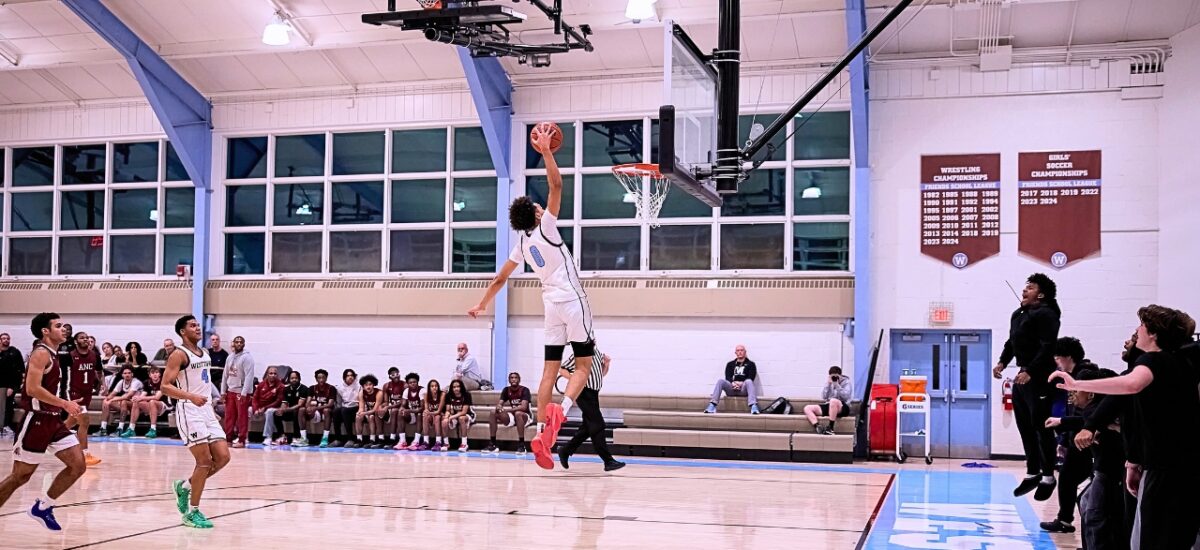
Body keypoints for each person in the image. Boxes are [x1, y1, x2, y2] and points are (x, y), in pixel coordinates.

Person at [468, 127, 596, 468]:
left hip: (550, 306)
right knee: (584, 364)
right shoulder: (547, 227)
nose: (542, 206)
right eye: (539, 207)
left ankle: (542, 433)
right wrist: (546, 152)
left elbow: (500, 278)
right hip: (571, 299)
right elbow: (556, 185)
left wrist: (482, 305)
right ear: (537, 214)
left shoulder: (522, 244)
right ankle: (562, 411)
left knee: (548, 371)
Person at [1050, 305, 1200, 549]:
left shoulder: (1153, 360)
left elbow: (1131, 384)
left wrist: (1076, 383)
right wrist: (1133, 461)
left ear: (1153, 334)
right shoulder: (1184, 363)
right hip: (1185, 469)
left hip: (1164, 471)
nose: (1136, 331)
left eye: (1140, 326)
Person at [0, 313, 86, 531]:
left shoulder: (55, 354)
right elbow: (32, 389)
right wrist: (64, 404)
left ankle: (43, 507)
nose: (63, 329)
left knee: (78, 465)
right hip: (36, 421)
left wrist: (62, 404)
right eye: (58, 326)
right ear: (45, 331)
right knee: (20, 477)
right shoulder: (40, 353)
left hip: (53, 421)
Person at [993, 273, 1062, 501]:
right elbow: (1011, 342)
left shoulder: (1047, 314)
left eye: (1030, 287)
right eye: (1025, 286)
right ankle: (1033, 471)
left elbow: (1047, 346)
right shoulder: (1019, 314)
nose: (1025, 290)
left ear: (1040, 294)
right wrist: (1003, 362)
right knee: (1025, 427)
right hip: (1022, 375)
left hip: (1039, 375)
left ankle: (1048, 476)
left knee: (1042, 427)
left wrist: (1030, 371)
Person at [161, 315, 231, 529]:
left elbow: (204, 379)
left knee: (223, 457)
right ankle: (192, 512)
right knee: (204, 462)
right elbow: (165, 386)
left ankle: (184, 486)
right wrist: (190, 396)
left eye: (198, 325)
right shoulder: (178, 354)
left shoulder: (206, 352)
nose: (198, 328)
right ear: (183, 332)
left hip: (206, 410)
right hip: (189, 410)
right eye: (192, 325)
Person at [1045, 368, 1125, 548]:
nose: (1072, 393)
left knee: (1094, 512)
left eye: (1077, 388)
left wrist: (1063, 422)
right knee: (1085, 501)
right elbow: (1084, 421)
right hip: (1103, 470)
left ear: (1092, 394)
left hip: (1112, 471)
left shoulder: (1099, 412)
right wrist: (1062, 422)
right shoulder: (1093, 412)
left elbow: (1089, 420)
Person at [1038, 336, 1099, 533]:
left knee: (1072, 480)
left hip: (1089, 440)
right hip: (1076, 438)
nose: (1056, 361)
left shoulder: (1085, 376)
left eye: (1058, 356)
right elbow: (1072, 410)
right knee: (1068, 478)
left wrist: (1062, 423)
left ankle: (1068, 521)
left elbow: (1087, 415)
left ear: (1068, 357)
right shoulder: (1071, 377)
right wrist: (1064, 439)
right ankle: (1066, 520)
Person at [557, 349, 625, 472]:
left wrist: (607, 365)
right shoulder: (579, 354)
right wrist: (576, 380)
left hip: (594, 393)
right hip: (583, 392)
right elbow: (562, 369)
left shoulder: (599, 354)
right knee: (598, 424)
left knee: (587, 428)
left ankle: (565, 451)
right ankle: (608, 460)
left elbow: (601, 374)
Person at [65, 331, 103, 466]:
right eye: (82, 338)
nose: (86, 339)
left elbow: (99, 371)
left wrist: (102, 384)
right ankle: (85, 454)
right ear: (76, 341)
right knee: (84, 422)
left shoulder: (94, 355)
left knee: (71, 422)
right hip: (75, 393)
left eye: (87, 337)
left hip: (87, 392)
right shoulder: (70, 356)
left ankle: (49, 439)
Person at [483, 372, 531, 455]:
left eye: (515, 377)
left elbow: (523, 407)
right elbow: (500, 403)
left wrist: (507, 411)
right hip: (513, 416)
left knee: (518, 413)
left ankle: (522, 445)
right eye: (511, 378)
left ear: (519, 380)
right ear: (509, 380)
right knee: (493, 412)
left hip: (525, 416)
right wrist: (499, 407)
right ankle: (493, 444)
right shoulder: (506, 390)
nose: (513, 379)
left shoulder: (524, 390)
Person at [220, 335, 255, 448]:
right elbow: (225, 375)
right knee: (229, 416)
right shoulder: (230, 357)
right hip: (230, 391)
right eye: (237, 342)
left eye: (241, 342)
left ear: (244, 344)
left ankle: (241, 440)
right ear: (233, 344)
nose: (239, 344)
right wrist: (223, 391)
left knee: (242, 417)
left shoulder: (247, 358)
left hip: (241, 392)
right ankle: (228, 439)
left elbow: (249, 376)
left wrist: (244, 393)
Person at [704, 344, 760, 415]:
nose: (740, 352)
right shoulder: (730, 364)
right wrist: (733, 383)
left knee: (749, 381)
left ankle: (753, 406)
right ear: (735, 353)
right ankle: (712, 405)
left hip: (743, 389)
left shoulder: (751, 364)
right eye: (738, 350)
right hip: (732, 388)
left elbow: (751, 377)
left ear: (745, 352)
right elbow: (727, 377)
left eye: (741, 350)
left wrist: (741, 383)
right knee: (720, 381)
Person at [803, 366, 853, 435]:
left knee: (833, 401)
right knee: (807, 408)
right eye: (832, 376)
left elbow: (846, 397)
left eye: (836, 376)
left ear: (840, 376)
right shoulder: (830, 382)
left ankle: (831, 428)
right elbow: (824, 397)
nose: (835, 378)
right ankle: (818, 427)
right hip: (831, 406)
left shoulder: (846, 382)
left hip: (843, 407)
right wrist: (828, 384)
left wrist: (837, 385)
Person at [249, 366, 285, 446]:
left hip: (273, 408)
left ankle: (268, 437)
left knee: (269, 412)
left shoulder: (281, 386)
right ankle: (244, 436)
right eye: (271, 373)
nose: (273, 375)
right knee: (249, 410)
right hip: (260, 407)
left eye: (275, 373)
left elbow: (278, 401)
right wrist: (256, 409)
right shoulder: (261, 384)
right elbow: (255, 398)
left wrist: (264, 408)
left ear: (277, 375)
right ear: (267, 375)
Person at [130, 367, 169, 439]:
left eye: (157, 372)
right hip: (152, 406)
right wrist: (137, 398)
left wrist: (141, 398)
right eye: (153, 373)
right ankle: (131, 429)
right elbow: (142, 395)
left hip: (165, 406)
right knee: (136, 402)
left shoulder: (163, 383)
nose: (155, 374)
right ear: (149, 375)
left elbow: (157, 397)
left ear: (160, 374)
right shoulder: (147, 382)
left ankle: (153, 429)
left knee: (152, 401)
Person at [105, 366, 143, 438]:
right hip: (129, 404)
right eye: (125, 373)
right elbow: (113, 394)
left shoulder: (136, 382)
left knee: (123, 401)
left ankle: (120, 428)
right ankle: (103, 427)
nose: (127, 375)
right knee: (106, 401)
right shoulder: (121, 382)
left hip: (139, 405)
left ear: (132, 374)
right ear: (122, 375)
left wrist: (112, 399)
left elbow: (129, 395)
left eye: (129, 373)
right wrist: (107, 399)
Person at [273, 371, 309, 446]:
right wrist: (282, 409)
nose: (294, 380)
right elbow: (284, 402)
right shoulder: (286, 389)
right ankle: (282, 436)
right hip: (289, 410)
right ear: (289, 379)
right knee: (276, 413)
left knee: (297, 411)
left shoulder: (304, 389)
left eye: (296, 378)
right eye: (292, 378)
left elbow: (300, 404)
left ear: (299, 379)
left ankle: (296, 437)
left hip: (300, 412)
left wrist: (287, 409)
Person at [0, 332, 25, 437]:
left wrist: (13, 386)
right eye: (4, 338)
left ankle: (5, 426)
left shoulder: (14, 352)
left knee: (7, 406)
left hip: (10, 384)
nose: (6, 340)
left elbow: (20, 369)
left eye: (8, 338)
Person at [305, 369, 337, 448]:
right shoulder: (312, 388)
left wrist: (316, 408)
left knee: (326, 410)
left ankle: (325, 438)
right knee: (302, 410)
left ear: (326, 378)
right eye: (319, 378)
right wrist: (308, 407)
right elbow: (308, 402)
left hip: (327, 411)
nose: (321, 380)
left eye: (323, 377)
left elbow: (330, 404)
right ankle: (303, 438)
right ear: (316, 379)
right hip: (316, 412)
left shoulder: (331, 388)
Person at [441, 379, 474, 452]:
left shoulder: (466, 395)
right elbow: (448, 410)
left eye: (458, 386)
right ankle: (446, 443)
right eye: (454, 387)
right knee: (444, 421)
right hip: (455, 415)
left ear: (461, 387)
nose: (456, 388)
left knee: (461, 418)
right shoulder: (449, 396)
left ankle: (464, 444)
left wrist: (451, 417)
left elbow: (464, 412)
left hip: (468, 414)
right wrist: (446, 417)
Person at [330, 369, 360, 448]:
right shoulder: (340, 388)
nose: (350, 377)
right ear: (344, 378)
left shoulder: (359, 387)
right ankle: (338, 438)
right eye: (348, 376)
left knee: (344, 410)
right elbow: (339, 402)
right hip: (345, 407)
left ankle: (350, 439)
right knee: (336, 411)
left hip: (356, 407)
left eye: (352, 375)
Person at [393, 372, 424, 450]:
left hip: (421, 415)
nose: (413, 384)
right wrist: (402, 409)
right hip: (412, 414)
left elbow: (422, 408)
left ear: (417, 382)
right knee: (400, 413)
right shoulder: (406, 391)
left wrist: (409, 410)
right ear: (407, 384)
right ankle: (402, 441)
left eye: (414, 382)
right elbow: (403, 405)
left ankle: (416, 441)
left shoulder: (422, 390)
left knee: (419, 414)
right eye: (410, 383)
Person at [352, 374, 383, 449]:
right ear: (363, 386)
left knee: (371, 417)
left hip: (378, 413)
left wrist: (364, 413)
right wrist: (360, 412)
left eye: (370, 384)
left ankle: (372, 440)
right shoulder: (361, 393)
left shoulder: (379, 393)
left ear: (373, 385)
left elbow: (375, 409)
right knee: (358, 417)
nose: (368, 387)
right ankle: (359, 439)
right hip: (368, 411)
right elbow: (361, 407)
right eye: (366, 385)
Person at [380, 368, 406, 448]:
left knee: (395, 411)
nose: (396, 376)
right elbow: (386, 401)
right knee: (378, 411)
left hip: (402, 407)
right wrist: (382, 407)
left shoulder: (405, 385)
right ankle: (379, 439)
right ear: (390, 377)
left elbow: (403, 402)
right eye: (393, 374)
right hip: (391, 407)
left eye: (397, 373)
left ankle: (392, 438)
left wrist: (388, 406)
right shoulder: (386, 386)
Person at [420, 379, 445, 451]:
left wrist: (429, 413)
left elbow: (439, 411)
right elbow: (426, 409)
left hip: (440, 414)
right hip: (431, 415)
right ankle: (426, 442)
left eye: (436, 386)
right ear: (429, 388)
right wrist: (427, 412)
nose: (434, 387)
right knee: (425, 416)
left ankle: (438, 442)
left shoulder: (442, 394)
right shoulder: (426, 395)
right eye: (432, 386)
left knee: (437, 417)